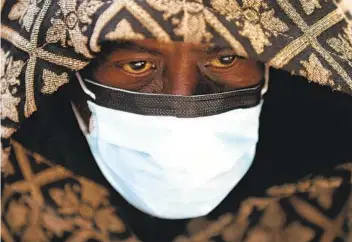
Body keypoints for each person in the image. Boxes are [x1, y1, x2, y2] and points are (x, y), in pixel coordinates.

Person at [1, 0, 352, 241]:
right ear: (70, 67)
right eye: (138, 65)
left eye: (226, 59)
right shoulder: (13, 170)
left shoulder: (337, 178)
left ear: (272, 61)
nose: (182, 106)